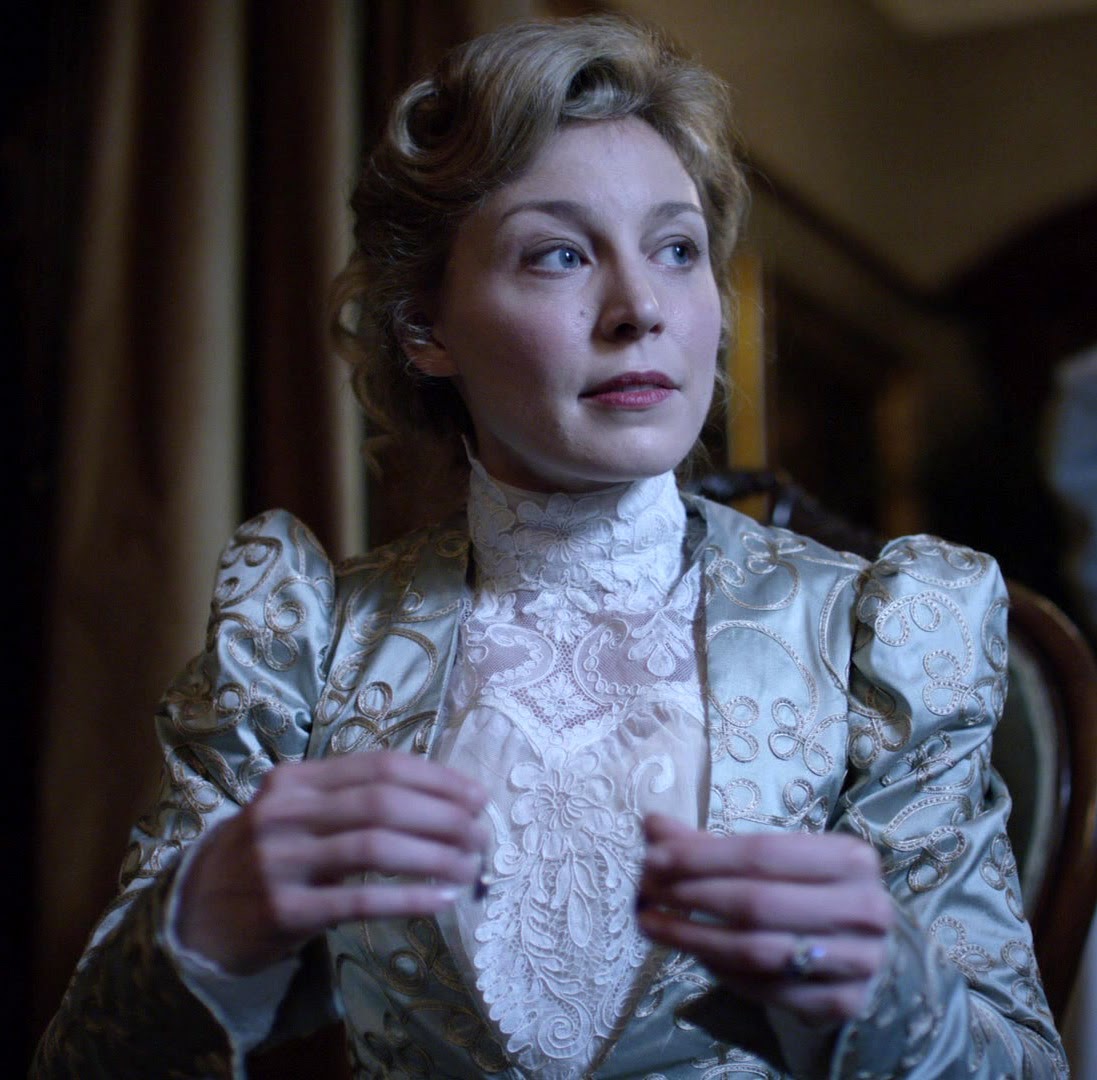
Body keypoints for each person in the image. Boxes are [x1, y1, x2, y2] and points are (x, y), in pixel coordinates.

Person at [33, 15, 1066, 1079]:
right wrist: (201, 929)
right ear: (424, 327)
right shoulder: (302, 642)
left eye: (676, 249)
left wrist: (892, 996)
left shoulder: (877, 636)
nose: (639, 308)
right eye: (559, 255)